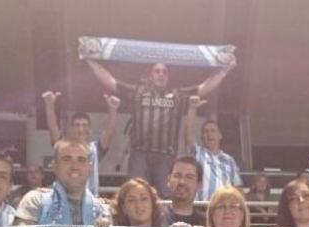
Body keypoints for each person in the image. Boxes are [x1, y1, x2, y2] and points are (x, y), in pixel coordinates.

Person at [86, 59, 235, 194]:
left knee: (167, 198)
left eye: (164, 72)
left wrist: (225, 70)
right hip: (140, 154)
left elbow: (203, 88)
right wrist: (90, 60)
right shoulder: (138, 91)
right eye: (157, 71)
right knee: (136, 193)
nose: (161, 74)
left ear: (168, 77)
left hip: (166, 156)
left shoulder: (176, 94)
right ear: (150, 75)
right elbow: (110, 81)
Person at [15, 138, 110, 227]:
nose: (75, 166)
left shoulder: (102, 209)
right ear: (54, 166)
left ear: (89, 168)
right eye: (67, 159)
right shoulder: (35, 200)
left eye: (81, 160)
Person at [42, 91, 121, 197]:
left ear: (89, 128)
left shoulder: (94, 149)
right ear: (71, 128)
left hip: (89, 202)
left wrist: (113, 109)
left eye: (84, 125)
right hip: (64, 200)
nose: (80, 129)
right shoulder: (63, 146)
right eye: (77, 125)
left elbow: (109, 130)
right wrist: (49, 105)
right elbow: (53, 127)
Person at [185, 96, 242, 201]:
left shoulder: (229, 160)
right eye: (206, 132)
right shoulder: (198, 153)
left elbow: (238, 187)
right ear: (202, 137)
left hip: (223, 208)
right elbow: (189, 135)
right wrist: (192, 109)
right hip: (202, 208)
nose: (209, 134)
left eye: (212, 131)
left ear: (220, 135)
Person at [161, 156, 207, 227]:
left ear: (199, 184)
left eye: (189, 177)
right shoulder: (155, 219)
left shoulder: (207, 224)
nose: (182, 182)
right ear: (168, 180)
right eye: (177, 176)